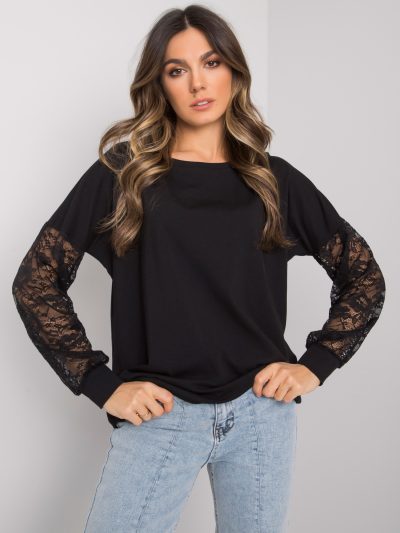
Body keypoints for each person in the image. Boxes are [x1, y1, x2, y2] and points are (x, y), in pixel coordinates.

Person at [11, 5, 386, 533]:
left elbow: (364, 276)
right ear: (159, 84)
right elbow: (36, 281)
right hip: (160, 415)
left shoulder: (273, 181)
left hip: (261, 414)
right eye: (177, 69)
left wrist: (316, 364)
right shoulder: (122, 174)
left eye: (211, 63)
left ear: (233, 70)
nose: (197, 83)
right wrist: (100, 383)